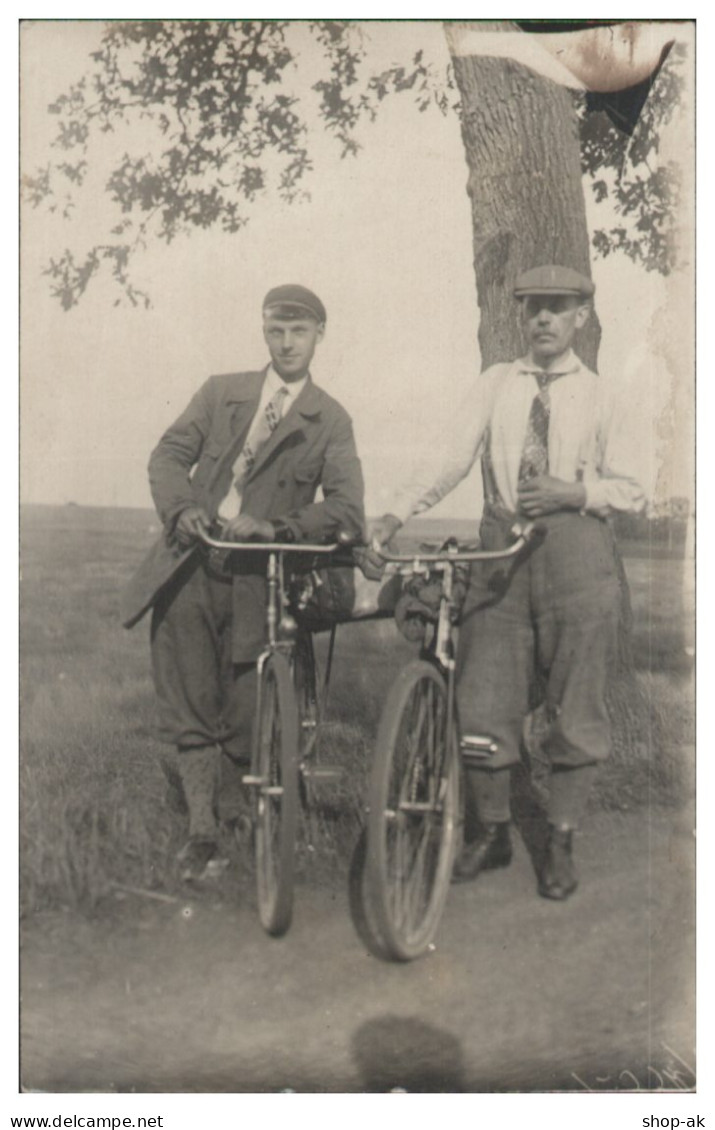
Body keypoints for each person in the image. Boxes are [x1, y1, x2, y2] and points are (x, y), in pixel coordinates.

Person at [369, 264, 645, 900]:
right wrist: (393, 513)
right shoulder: (497, 384)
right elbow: (446, 457)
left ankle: (562, 840)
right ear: (521, 317)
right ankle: (492, 833)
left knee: (576, 702)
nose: (543, 319)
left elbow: (631, 488)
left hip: (576, 556)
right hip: (499, 557)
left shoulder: (604, 396)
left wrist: (575, 490)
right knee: (483, 697)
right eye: (533, 308)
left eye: (557, 307)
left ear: (581, 317)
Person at [121, 284, 365, 879]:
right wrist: (182, 509)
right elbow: (167, 456)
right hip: (191, 565)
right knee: (188, 697)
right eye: (277, 331)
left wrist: (277, 525)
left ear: (319, 337)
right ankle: (202, 831)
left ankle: (237, 816)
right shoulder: (221, 392)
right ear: (264, 332)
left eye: (299, 332)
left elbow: (347, 509)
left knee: (245, 703)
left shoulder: (329, 419)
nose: (287, 344)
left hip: (262, 576)